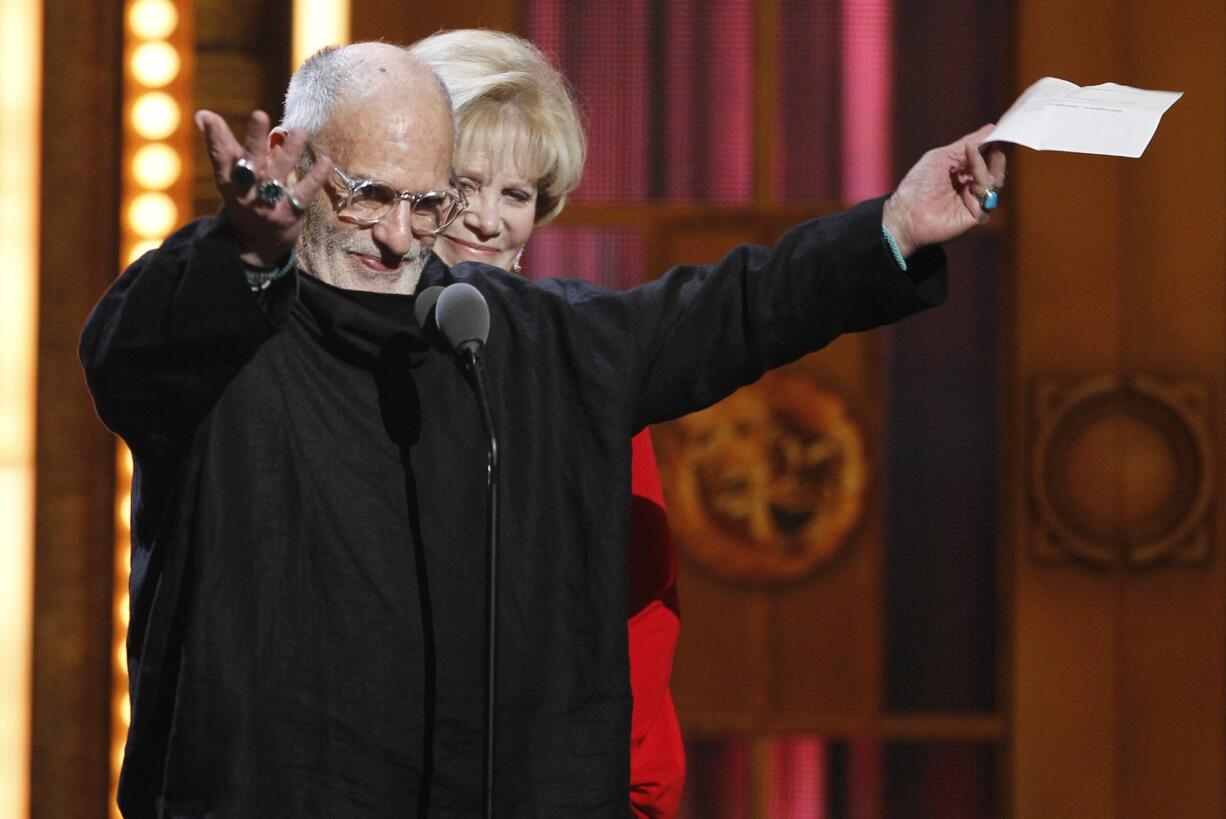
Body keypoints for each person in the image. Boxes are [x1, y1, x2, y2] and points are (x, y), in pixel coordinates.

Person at [81, 39, 1005, 817]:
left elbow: (739, 307)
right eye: (367, 195)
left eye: (425, 202)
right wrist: (241, 249)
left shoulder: (515, 337)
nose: (400, 236)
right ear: (292, 157)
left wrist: (893, 227)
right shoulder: (221, 329)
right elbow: (125, 355)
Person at [409, 29, 686, 817]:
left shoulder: (581, 363)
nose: (488, 221)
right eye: (464, 185)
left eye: (517, 195)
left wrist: (628, 798)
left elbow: (639, 603)